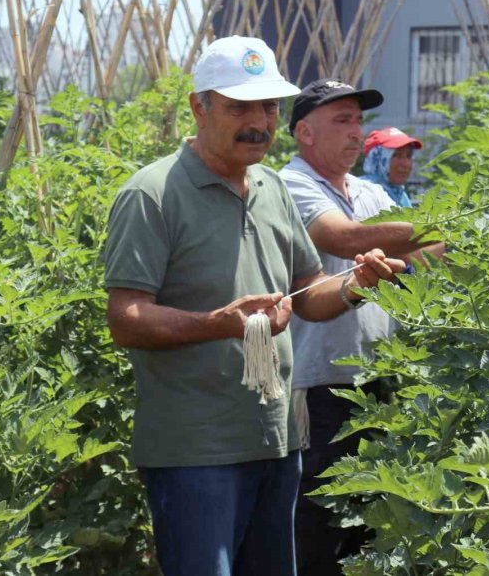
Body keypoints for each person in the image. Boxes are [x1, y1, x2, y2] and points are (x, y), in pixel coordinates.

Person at [103, 39, 406, 576]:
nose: (259, 122)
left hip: (277, 438)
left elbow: (310, 290)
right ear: (199, 107)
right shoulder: (152, 195)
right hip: (196, 449)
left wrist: (354, 285)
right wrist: (217, 324)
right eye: (239, 107)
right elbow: (126, 318)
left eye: (268, 107)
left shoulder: (271, 187)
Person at [279, 79, 443, 575]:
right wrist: (448, 221)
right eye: (342, 121)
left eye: (358, 120)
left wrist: (448, 245)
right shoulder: (291, 185)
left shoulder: (369, 193)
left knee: (367, 520)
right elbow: (344, 236)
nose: (356, 132)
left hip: (375, 380)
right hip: (318, 383)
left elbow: (424, 254)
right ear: (305, 133)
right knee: (319, 518)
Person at [360, 126, 423, 208]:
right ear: (378, 158)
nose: (406, 163)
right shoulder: (363, 192)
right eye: (397, 155)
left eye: (409, 156)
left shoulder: (400, 195)